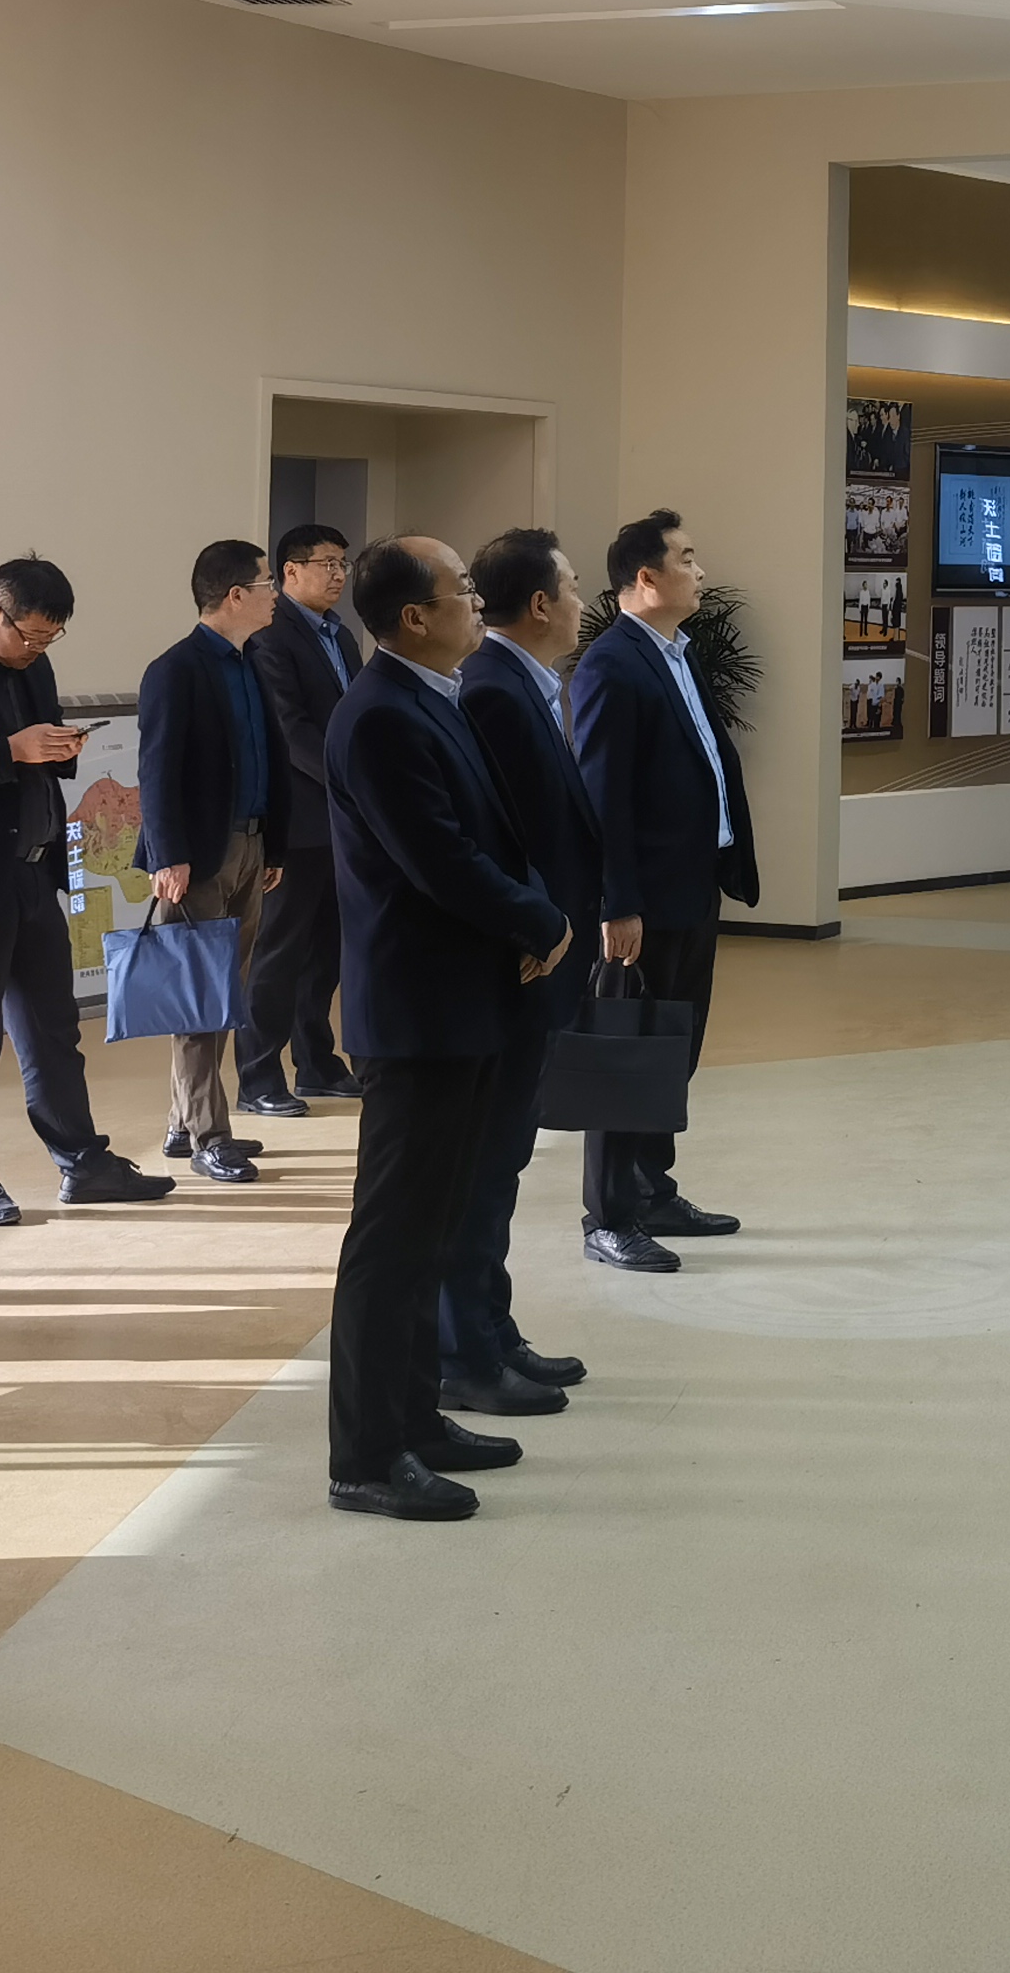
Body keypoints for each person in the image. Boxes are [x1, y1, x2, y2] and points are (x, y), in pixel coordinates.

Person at [323, 537, 570, 1520]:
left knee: (430, 1229)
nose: (476, 602)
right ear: (414, 617)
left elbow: (487, 838)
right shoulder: (379, 714)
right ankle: (365, 1457)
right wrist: (539, 920)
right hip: (415, 1013)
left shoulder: (434, 695)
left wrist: (529, 914)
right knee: (391, 1243)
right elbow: (441, 859)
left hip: (460, 1003)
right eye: (460, 590)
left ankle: (416, 1418)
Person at [0, 559, 169, 1224]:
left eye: (51, 638)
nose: (39, 649)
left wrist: (59, 748)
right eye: (31, 635)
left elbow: (37, 754)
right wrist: (10, 751)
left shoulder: (33, 666)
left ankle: (83, 1163)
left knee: (54, 1031)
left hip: (35, 870)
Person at [440, 528, 603, 1416]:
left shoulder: (524, 683)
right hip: (522, 962)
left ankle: (493, 1332)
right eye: (572, 587)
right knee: (484, 1166)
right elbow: (499, 840)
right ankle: (465, 1349)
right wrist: (538, 925)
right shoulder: (496, 690)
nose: (582, 602)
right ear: (540, 604)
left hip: (545, 955)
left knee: (502, 1164)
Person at [567, 508, 755, 1272]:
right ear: (646, 578)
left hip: (692, 884)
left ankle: (653, 1190)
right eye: (686, 558)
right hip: (643, 900)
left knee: (673, 1049)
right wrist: (617, 903)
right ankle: (608, 1216)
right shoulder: (612, 664)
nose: (699, 571)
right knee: (627, 1052)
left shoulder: (677, 653)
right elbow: (602, 797)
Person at [135, 543, 293, 1184]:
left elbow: (268, 759)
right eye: (266, 582)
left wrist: (273, 847)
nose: (275, 593)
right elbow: (156, 771)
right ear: (235, 595)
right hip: (199, 857)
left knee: (224, 995)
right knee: (199, 998)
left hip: (251, 847)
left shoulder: (252, 661)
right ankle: (209, 1136)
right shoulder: (175, 669)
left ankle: (184, 1121)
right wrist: (168, 855)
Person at [240, 523, 364, 1111]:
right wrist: (349, 782)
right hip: (297, 821)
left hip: (340, 821)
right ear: (291, 571)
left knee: (326, 952)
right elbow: (290, 731)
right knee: (279, 952)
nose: (339, 575)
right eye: (327, 564)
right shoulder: (271, 636)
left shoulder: (343, 637)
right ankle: (258, 1077)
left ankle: (316, 1062)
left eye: (343, 564)